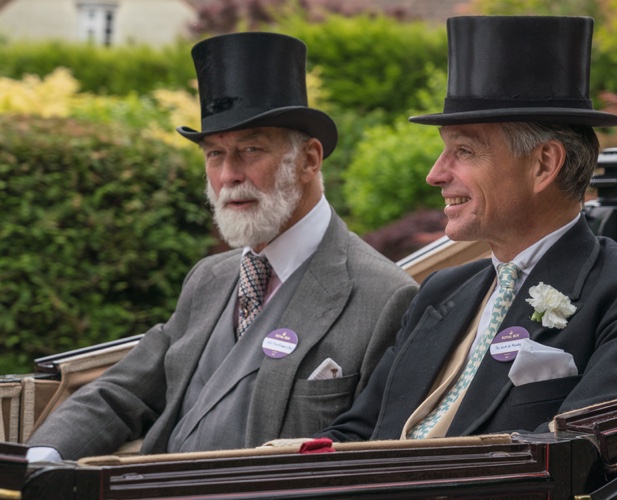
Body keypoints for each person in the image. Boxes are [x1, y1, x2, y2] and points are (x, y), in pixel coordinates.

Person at [26, 32, 417, 460]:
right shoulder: (209, 278)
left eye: (250, 149)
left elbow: (372, 460)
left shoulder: (386, 295)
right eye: (215, 154)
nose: (229, 174)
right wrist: (41, 455)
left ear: (309, 160)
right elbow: (122, 393)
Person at [314, 15, 617, 442]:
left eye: (464, 150)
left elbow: (574, 456)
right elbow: (358, 430)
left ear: (544, 164)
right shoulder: (441, 291)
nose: (435, 174)